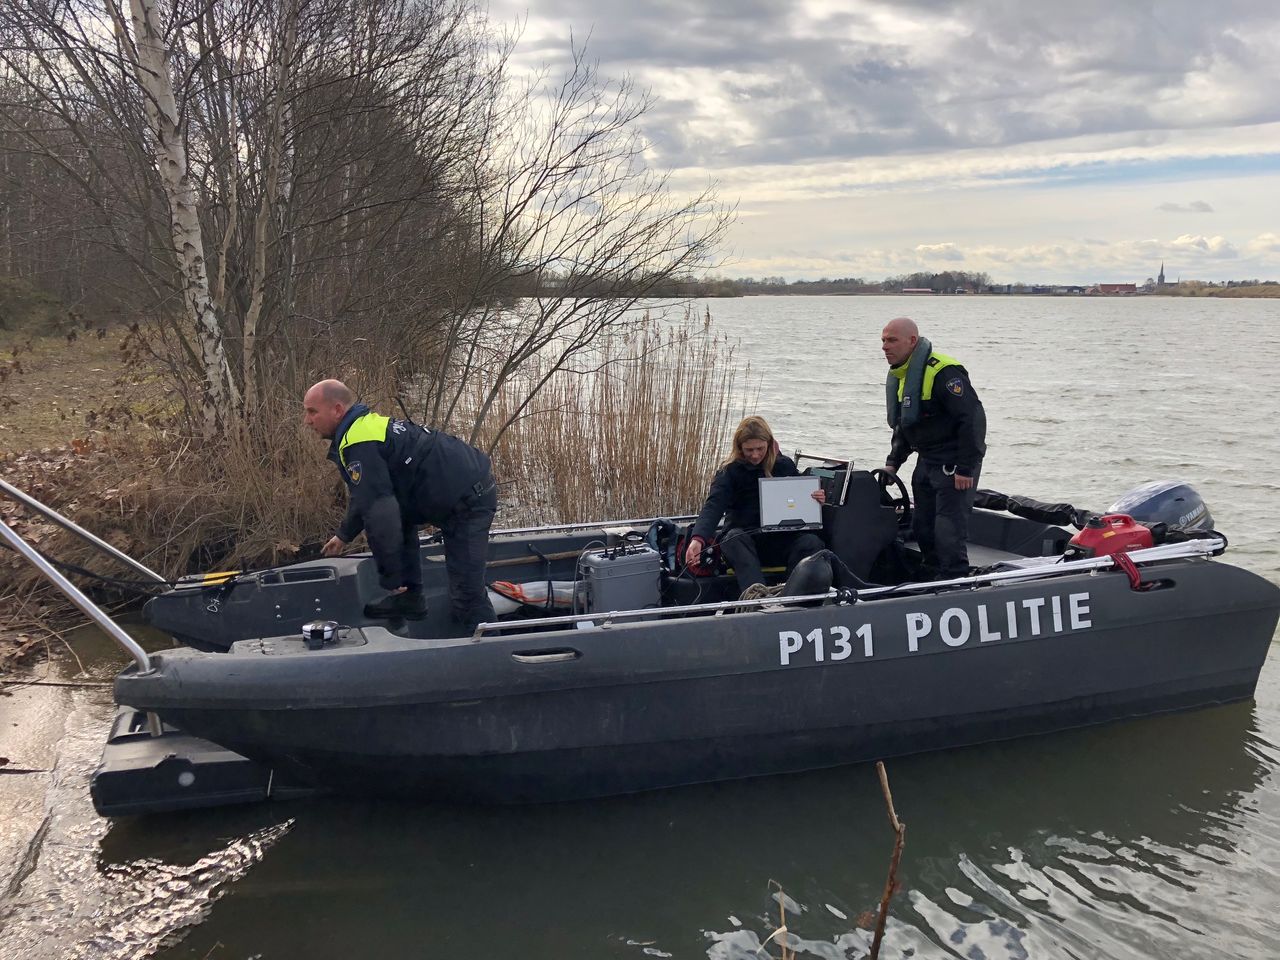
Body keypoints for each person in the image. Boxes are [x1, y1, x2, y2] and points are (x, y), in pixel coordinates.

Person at [302, 379, 497, 631]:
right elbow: (367, 494)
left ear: (337, 410)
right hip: (447, 491)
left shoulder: (359, 442)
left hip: (469, 498)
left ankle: (489, 652)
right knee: (397, 511)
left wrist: (390, 577)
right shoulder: (360, 430)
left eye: (312, 412)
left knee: (466, 594)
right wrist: (344, 534)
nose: (307, 421)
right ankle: (411, 598)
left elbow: (380, 515)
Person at [880, 317, 986, 579]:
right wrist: (893, 462)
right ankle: (930, 575)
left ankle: (955, 579)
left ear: (912, 341)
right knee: (923, 526)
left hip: (954, 463)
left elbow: (972, 420)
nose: (885, 346)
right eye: (883, 340)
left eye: (891, 340)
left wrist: (965, 467)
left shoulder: (943, 372)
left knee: (948, 531)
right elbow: (906, 424)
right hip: (926, 460)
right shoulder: (903, 374)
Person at [684, 415, 826, 595]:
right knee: (733, 538)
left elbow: (800, 497)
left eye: (760, 448)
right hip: (744, 539)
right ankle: (757, 598)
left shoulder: (784, 466)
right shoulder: (728, 472)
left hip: (778, 539)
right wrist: (698, 538)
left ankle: (793, 596)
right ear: (739, 448)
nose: (755, 455)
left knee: (811, 542)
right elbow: (713, 506)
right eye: (749, 450)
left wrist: (816, 498)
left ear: (769, 444)